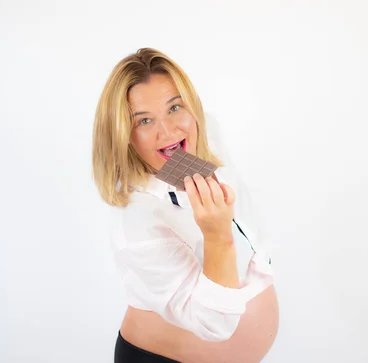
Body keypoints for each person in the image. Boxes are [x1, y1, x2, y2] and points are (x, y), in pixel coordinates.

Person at [92, 48, 279, 363]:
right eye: (144, 120)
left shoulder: (202, 140)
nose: (168, 130)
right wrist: (217, 235)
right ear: (123, 135)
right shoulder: (138, 220)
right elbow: (214, 324)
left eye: (174, 107)